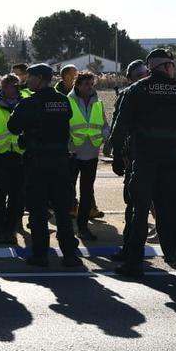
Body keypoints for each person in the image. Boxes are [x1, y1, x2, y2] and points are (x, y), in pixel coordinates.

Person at [108, 49, 176, 278]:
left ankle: (134, 263)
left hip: (144, 158)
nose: (174, 69)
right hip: (173, 158)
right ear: (166, 67)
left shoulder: (136, 90)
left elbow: (120, 127)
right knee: (175, 208)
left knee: (139, 211)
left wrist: (117, 155)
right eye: (172, 65)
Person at [8, 64, 80, 268]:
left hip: (38, 161)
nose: (27, 80)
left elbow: (13, 127)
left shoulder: (29, 102)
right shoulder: (63, 101)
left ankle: (40, 255)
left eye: (30, 77)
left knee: (38, 209)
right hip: (60, 161)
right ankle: (69, 254)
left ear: (39, 79)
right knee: (62, 210)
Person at [109, 59, 149, 261]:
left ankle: (131, 253)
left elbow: (119, 129)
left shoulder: (128, 94)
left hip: (140, 160)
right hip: (159, 159)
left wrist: (116, 154)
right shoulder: (172, 91)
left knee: (135, 207)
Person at [68, 71, 110, 242]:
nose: (90, 87)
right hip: (72, 153)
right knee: (67, 192)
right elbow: (63, 126)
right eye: (86, 84)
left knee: (86, 193)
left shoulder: (98, 103)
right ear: (77, 85)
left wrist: (105, 138)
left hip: (91, 153)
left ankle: (83, 227)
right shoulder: (68, 101)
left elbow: (104, 125)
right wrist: (68, 143)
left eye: (92, 84)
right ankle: (66, 229)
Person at [0, 74, 25, 244]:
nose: (16, 88)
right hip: (0, 154)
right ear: (3, 87)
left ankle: (11, 229)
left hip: (19, 154)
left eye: (17, 85)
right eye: (12, 85)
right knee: (0, 194)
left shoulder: (24, 104)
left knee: (17, 195)